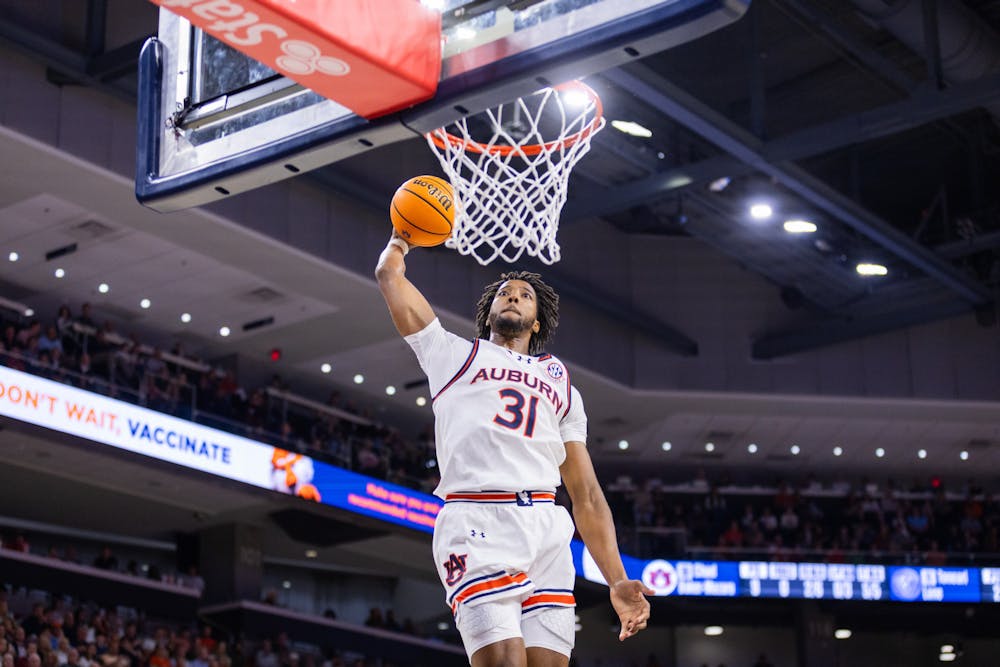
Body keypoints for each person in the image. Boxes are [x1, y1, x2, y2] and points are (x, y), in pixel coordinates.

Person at [376, 233, 652, 666]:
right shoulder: (453, 355)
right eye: (504, 293)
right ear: (488, 312)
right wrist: (400, 241)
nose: (513, 297)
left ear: (537, 321)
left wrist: (616, 579)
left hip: (546, 525)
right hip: (477, 521)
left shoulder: (562, 384)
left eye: (524, 295)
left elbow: (587, 494)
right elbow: (389, 278)